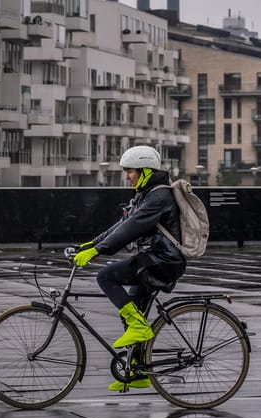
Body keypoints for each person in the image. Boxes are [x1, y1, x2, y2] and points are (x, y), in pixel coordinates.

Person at [73, 145, 187, 391]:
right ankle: (139, 373)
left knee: (106, 277)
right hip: (154, 259)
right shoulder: (147, 194)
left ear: (145, 169)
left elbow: (131, 228)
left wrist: (99, 252)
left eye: (130, 171)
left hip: (161, 262)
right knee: (133, 313)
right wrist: (92, 244)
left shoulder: (159, 196)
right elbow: (121, 224)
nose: (127, 176)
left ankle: (138, 328)